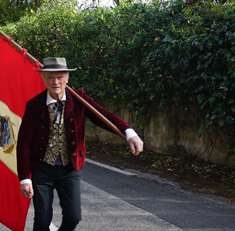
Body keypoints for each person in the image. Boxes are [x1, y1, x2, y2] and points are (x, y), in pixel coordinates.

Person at [16, 57, 144, 231]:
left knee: (73, 217)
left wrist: (129, 133)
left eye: (60, 77)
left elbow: (102, 116)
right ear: (43, 78)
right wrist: (25, 177)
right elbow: (23, 143)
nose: (56, 82)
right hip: (42, 169)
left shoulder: (79, 99)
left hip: (70, 168)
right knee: (42, 220)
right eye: (51, 77)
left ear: (67, 78)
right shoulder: (34, 105)